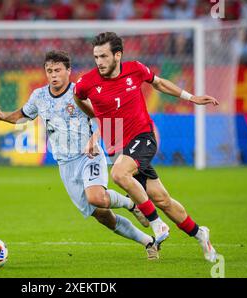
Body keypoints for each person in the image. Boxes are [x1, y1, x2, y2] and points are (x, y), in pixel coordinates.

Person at [0, 50, 160, 259]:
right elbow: (22, 116)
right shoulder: (39, 96)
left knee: (96, 196)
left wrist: (95, 138)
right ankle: (148, 241)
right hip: (65, 165)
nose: (53, 75)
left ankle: (131, 203)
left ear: (68, 71)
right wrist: (3, 116)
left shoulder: (80, 92)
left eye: (58, 70)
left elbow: (103, 116)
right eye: (49, 70)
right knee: (102, 215)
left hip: (88, 156)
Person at [74, 32, 218, 262]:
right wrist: (97, 122)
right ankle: (200, 233)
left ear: (117, 55)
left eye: (103, 56)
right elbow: (78, 98)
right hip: (118, 146)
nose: (99, 62)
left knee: (119, 174)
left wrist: (191, 97)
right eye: (96, 57)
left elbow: (159, 83)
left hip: (143, 136)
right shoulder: (86, 83)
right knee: (163, 200)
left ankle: (157, 224)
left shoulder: (135, 69)